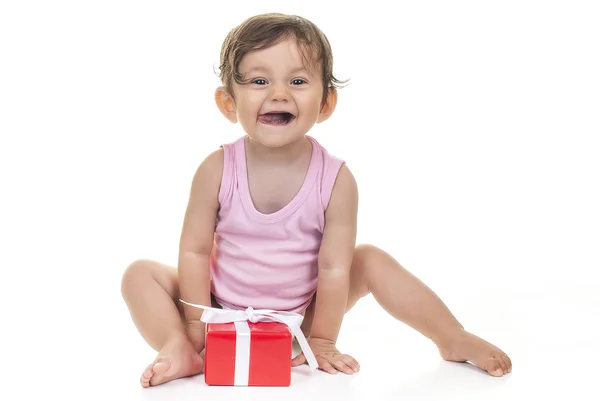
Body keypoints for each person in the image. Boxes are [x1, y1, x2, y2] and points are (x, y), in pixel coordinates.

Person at [121, 12, 512, 388]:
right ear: (228, 103)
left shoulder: (336, 179)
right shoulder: (216, 168)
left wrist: (322, 338)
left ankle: (451, 335)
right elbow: (194, 250)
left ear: (325, 103)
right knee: (140, 274)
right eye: (259, 81)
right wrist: (195, 324)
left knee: (370, 259)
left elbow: (335, 266)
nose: (278, 93)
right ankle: (178, 346)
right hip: (218, 312)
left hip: (298, 321)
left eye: (297, 81)